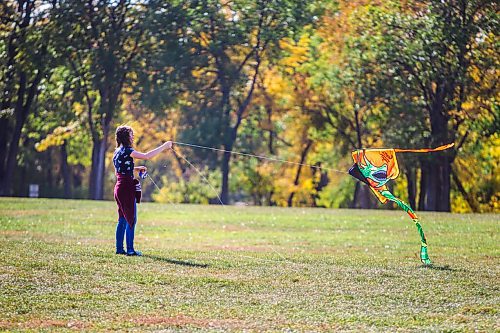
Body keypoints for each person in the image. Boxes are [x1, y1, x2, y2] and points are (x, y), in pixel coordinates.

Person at [113, 125, 172, 256]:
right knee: (131, 219)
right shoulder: (128, 150)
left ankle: (119, 249)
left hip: (119, 187)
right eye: (130, 134)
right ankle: (130, 250)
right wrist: (164, 146)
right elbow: (147, 156)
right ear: (125, 137)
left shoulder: (117, 151)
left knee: (122, 219)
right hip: (126, 188)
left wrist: (136, 169)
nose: (132, 136)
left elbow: (121, 169)